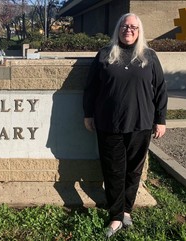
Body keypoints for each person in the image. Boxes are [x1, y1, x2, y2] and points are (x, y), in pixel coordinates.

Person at [83, 13, 168, 238]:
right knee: (113, 171)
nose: (128, 30)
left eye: (133, 27)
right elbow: (91, 88)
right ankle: (115, 216)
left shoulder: (149, 56)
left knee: (134, 170)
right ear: (118, 29)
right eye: (124, 26)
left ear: (139, 31)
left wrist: (161, 119)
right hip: (108, 123)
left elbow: (160, 89)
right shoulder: (104, 54)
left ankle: (127, 210)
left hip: (141, 124)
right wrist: (88, 114)